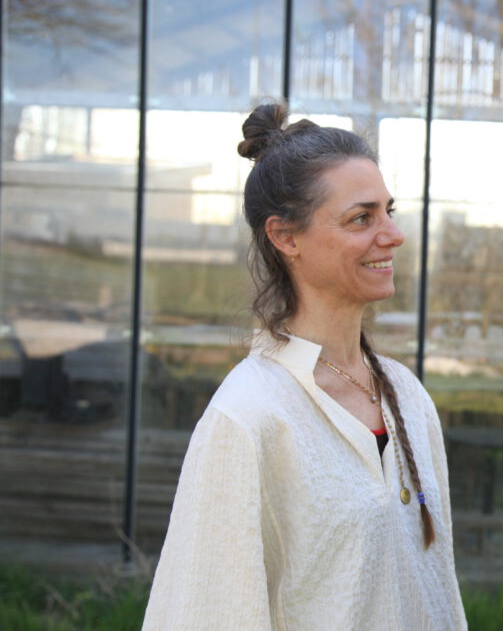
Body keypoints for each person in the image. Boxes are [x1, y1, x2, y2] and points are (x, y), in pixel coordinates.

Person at [143, 105, 466, 630]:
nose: (393, 234)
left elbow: (438, 592)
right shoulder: (248, 417)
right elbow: (208, 611)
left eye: (389, 211)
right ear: (285, 237)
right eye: (362, 218)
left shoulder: (406, 395)